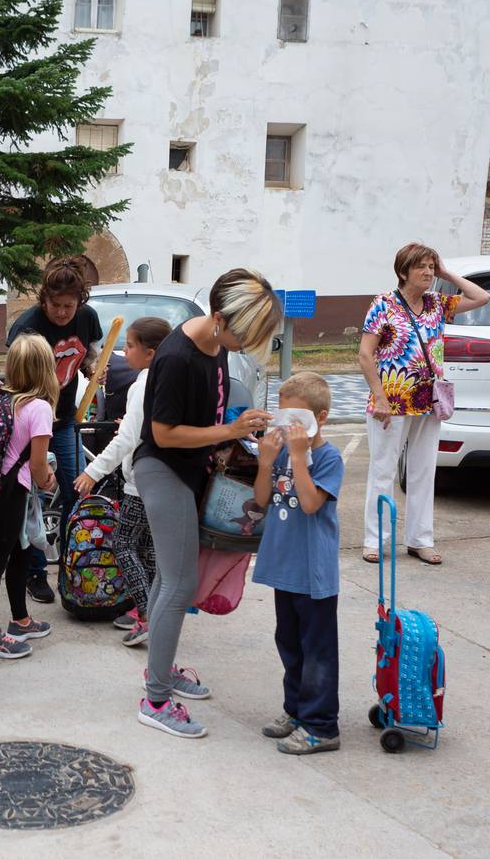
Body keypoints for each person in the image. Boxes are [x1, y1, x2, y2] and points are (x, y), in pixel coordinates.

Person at [133, 268, 281, 739]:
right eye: (246, 333)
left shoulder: (216, 347)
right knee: (180, 583)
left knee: (167, 579)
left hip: (187, 471)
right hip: (162, 471)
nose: (248, 343)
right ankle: (156, 698)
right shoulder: (178, 356)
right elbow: (162, 433)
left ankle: (160, 670)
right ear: (219, 318)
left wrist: (239, 432)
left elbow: (210, 417)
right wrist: (230, 432)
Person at [357, 243, 490, 566]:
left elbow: (481, 297)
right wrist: (379, 396)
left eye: (432, 267)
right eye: (423, 267)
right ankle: (374, 541)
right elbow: (364, 354)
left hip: (428, 402)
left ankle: (420, 540)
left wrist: (447, 273)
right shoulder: (383, 305)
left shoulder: (436, 304)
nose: (429, 273)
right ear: (404, 271)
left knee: (423, 472)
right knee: (382, 470)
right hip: (391, 402)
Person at [253, 372, 345, 754]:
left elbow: (310, 504)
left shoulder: (328, 457)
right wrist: (266, 462)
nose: (290, 427)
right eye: (284, 417)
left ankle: (322, 726)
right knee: (289, 643)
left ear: (320, 418)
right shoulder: (280, 457)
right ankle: (296, 711)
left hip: (314, 573)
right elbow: (260, 501)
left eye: (299, 419)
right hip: (284, 567)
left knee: (317, 651)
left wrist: (296, 457)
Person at [5, 256, 103, 604]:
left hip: (64, 420)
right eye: (56, 306)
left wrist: (92, 369)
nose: (63, 313)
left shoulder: (87, 318)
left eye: (69, 306)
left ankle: (69, 567)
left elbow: (89, 354)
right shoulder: (27, 327)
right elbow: (14, 377)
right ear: (43, 299)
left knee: (75, 492)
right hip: (31, 423)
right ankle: (34, 573)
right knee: (33, 498)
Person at [75, 317, 172, 648]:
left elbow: (128, 439)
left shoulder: (142, 383)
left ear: (150, 352)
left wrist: (94, 470)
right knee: (146, 548)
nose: (123, 351)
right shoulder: (164, 378)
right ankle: (149, 609)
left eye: (129, 345)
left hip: (139, 481)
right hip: (162, 479)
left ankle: (148, 615)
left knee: (124, 544)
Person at [0, 334, 58, 660]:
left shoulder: (7, 399)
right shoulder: (39, 408)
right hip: (14, 490)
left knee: (20, 553)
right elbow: (38, 463)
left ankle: (20, 620)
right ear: (45, 369)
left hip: (0, 487)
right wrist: (48, 480)